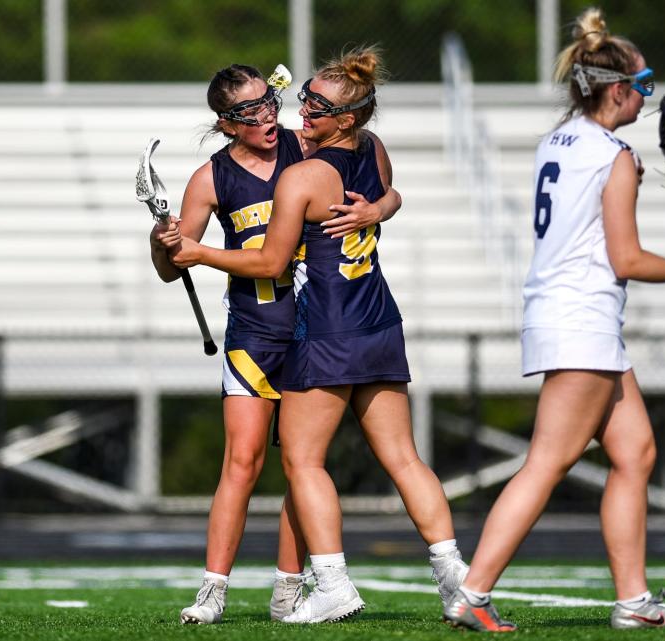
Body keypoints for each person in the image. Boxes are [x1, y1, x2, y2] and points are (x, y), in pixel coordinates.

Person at [442, 8, 665, 632]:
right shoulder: (614, 155)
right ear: (616, 88)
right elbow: (625, 258)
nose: (645, 96)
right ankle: (472, 591)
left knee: (635, 451)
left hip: (568, 313)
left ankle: (633, 602)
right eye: (642, 83)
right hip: (582, 317)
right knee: (548, 461)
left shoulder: (559, 140)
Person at [167, 46, 469, 624]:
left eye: (310, 103)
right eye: (298, 97)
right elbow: (392, 192)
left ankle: (329, 585)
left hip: (324, 328)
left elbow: (273, 260)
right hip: (378, 318)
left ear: (345, 118)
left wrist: (201, 251)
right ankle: (459, 581)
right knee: (404, 459)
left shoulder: (303, 170)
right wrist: (380, 207)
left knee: (303, 461)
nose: (295, 111)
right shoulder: (373, 151)